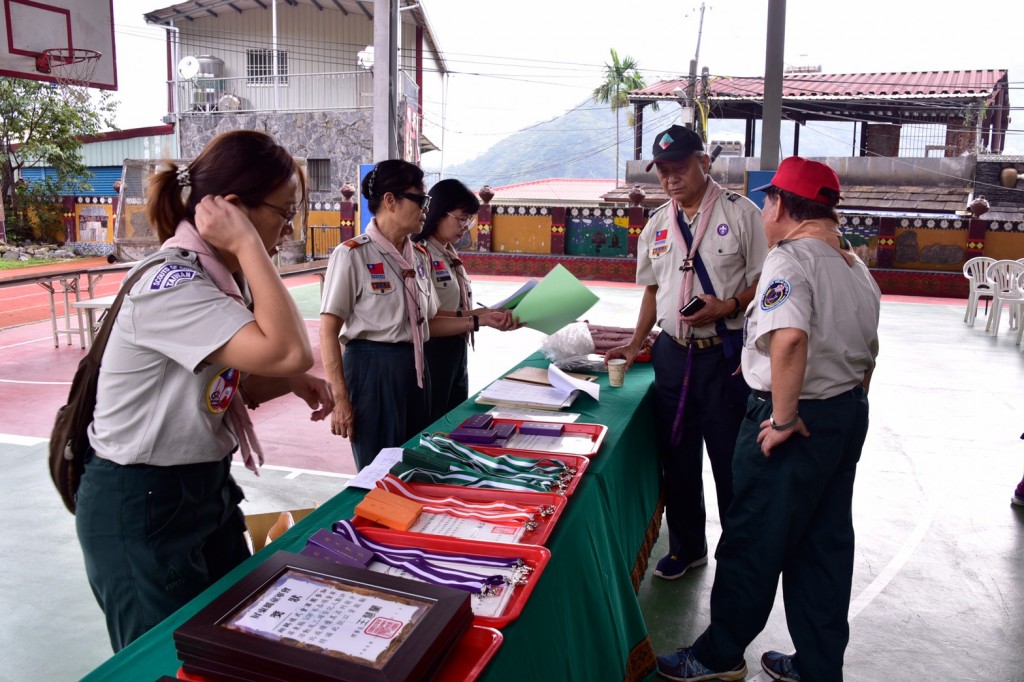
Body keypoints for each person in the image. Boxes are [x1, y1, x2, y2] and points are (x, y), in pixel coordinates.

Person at [75, 130, 334, 652]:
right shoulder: (173, 285)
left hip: (198, 490)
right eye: (284, 214)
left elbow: (215, 379)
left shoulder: (212, 279)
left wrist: (284, 381)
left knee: (226, 638)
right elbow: (288, 348)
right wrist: (246, 242)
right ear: (234, 208)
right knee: (168, 658)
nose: (287, 231)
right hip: (143, 502)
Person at [655, 157, 881, 682]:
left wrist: (781, 419)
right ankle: (819, 666)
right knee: (823, 545)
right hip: (844, 415)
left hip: (791, 422)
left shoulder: (789, 259)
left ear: (779, 205)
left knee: (752, 538)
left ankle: (718, 655)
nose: (763, 214)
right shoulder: (855, 267)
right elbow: (869, 352)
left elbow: (789, 338)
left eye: (766, 204)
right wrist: (842, 406)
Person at [606, 125, 768, 580]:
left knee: (728, 462)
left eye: (679, 168)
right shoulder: (657, 224)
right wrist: (636, 343)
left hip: (724, 358)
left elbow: (764, 282)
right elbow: (652, 290)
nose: (671, 179)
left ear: (704, 162)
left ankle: (737, 557)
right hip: (673, 355)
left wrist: (729, 305)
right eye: (663, 171)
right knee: (676, 459)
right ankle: (687, 547)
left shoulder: (742, 214)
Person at [320, 162, 509, 470]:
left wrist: (480, 319)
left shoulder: (418, 257)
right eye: (420, 200)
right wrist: (340, 398)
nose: (426, 209)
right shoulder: (353, 254)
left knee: (419, 464)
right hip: (374, 370)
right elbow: (329, 331)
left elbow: (429, 321)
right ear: (390, 201)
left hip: (419, 370)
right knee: (379, 473)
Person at [412, 178, 516, 422]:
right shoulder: (420, 253)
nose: (465, 227)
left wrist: (488, 313)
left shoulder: (448, 253)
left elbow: (457, 308)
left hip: (457, 349)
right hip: (432, 351)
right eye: (460, 218)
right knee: (434, 421)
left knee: (454, 418)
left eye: (468, 220)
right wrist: (482, 320)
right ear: (437, 212)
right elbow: (429, 318)